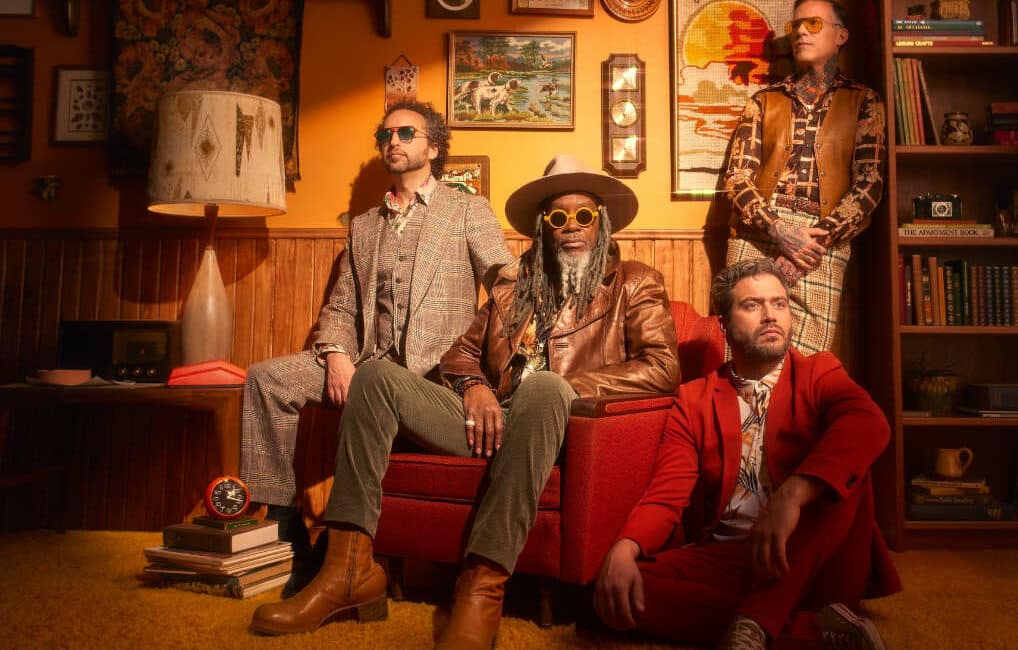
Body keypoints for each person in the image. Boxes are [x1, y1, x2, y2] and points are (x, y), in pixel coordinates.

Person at [248, 154, 681, 646]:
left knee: (543, 386)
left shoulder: (634, 283)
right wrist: (474, 387)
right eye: (558, 217)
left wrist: (567, 387)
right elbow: (460, 355)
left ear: (601, 222)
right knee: (374, 376)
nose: (571, 226)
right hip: (491, 421)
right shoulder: (516, 285)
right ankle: (347, 570)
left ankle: (482, 585)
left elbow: (662, 367)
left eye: (584, 215)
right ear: (543, 227)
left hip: (560, 424)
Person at [239, 101, 513, 592]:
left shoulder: (467, 210)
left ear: (434, 147)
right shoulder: (365, 225)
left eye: (406, 133)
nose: (393, 141)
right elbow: (342, 306)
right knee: (267, 379)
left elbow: (505, 288)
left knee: (378, 381)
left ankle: (343, 556)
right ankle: (286, 531)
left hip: (434, 379)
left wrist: (487, 374)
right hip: (367, 363)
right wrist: (336, 355)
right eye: (385, 135)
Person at [594, 258, 901, 650]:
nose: (770, 315)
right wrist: (626, 547)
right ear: (724, 325)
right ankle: (819, 633)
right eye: (753, 305)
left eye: (779, 303)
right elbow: (667, 494)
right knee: (616, 591)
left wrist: (792, 496)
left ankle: (755, 622)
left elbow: (869, 422)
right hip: (732, 556)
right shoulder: (695, 399)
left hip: (810, 557)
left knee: (846, 466)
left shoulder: (819, 372)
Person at [722, 0, 885, 355]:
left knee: (807, 362)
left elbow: (869, 184)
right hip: (757, 235)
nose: (800, 32)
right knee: (741, 353)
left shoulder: (864, 102)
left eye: (812, 23)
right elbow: (737, 179)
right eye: (795, 25)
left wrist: (814, 242)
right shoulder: (762, 101)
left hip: (822, 241)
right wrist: (779, 231)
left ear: (841, 35)